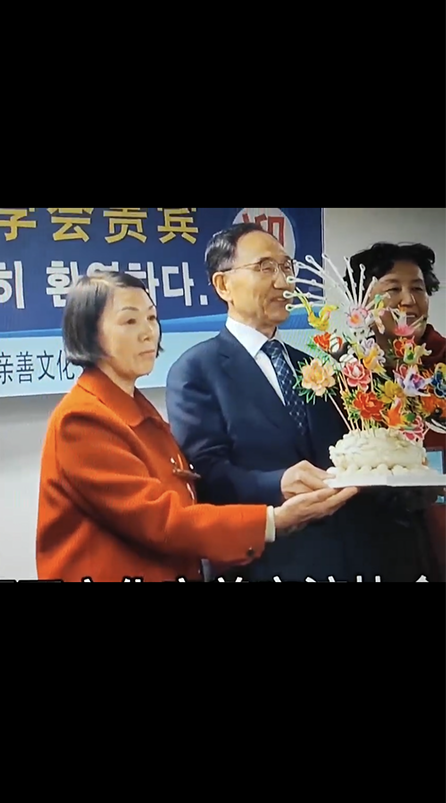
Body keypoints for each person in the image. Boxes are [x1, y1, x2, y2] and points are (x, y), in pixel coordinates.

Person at [36, 271, 357, 582]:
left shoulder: (135, 410)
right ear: (89, 333)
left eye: (151, 318)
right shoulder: (83, 419)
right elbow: (161, 521)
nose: (149, 332)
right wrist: (273, 521)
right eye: (130, 321)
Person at [166, 223, 426, 582]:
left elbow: (344, 454)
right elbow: (207, 473)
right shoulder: (196, 370)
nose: (284, 282)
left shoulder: (312, 364)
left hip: (348, 557)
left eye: (286, 267)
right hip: (268, 562)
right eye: (265, 268)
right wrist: (278, 483)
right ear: (223, 285)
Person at [349, 241, 445, 578]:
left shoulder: (442, 361)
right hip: (373, 542)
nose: (408, 300)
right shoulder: (345, 374)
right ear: (363, 301)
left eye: (418, 288)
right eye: (393, 289)